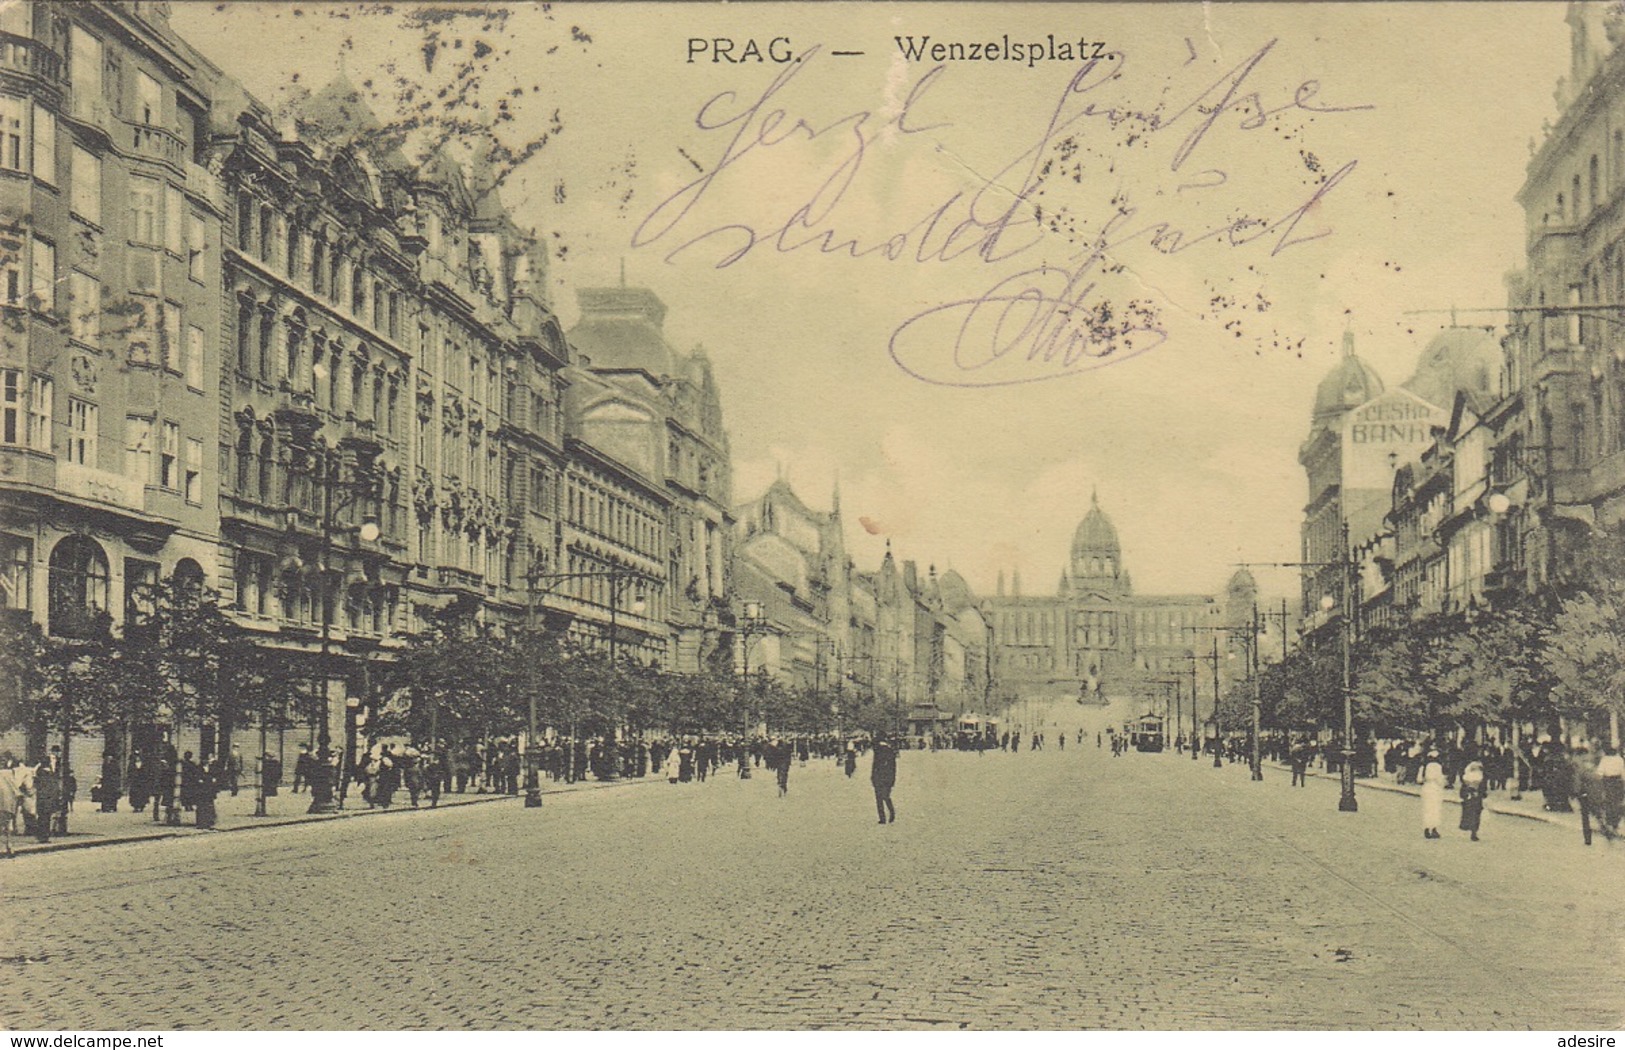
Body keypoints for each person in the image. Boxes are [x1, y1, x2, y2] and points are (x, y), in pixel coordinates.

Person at [1597, 745, 1624, 836]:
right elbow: (1623, 773)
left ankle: (1610, 822)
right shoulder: (1620, 759)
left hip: (1608, 782)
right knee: (1617, 802)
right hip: (1618, 782)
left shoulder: (1605, 759)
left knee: (1609, 802)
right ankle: (1615, 823)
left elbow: (1600, 772)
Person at [871, 736, 898, 824]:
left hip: (878, 777)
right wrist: (893, 779)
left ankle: (882, 818)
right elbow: (893, 767)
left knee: (879, 798)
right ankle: (892, 812)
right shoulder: (891, 751)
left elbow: (875, 766)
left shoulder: (877, 751)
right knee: (886, 796)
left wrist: (872, 777)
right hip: (888, 777)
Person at [1419, 749, 1445, 839]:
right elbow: (1440, 780)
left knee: (1427, 808)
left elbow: (1419, 779)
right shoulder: (1438, 766)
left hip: (1426, 788)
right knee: (1435, 809)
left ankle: (1426, 828)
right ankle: (1434, 828)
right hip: (1435, 788)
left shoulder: (1424, 767)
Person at [1458, 759, 1486, 842]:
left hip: (1469, 797)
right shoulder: (1479, 777)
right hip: (1476, 798)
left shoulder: (1467, 777)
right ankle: (1474, 831)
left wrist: (1463, 795)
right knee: (1476, 815)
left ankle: (1471, 828)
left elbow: (1463, 789)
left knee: (1470, 814)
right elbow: (1483, 789)